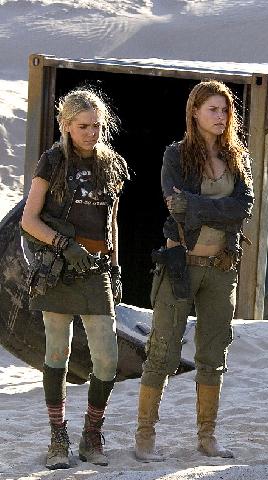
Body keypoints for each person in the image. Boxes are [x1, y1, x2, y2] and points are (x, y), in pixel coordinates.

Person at [133, 80, 253, 462]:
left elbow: (244, 207)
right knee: (162, 350)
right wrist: (219, 209)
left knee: (213, 353)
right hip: (181, 264)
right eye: (212, 109)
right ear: (195, 113)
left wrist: (201, 205)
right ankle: (145, 436)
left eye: (225, 110)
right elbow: (177, 207)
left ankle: (207, 436)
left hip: (222, 266)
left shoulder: (237, 156)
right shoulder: (177, 155)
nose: (221, 116)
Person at [21, 88, 128, 469]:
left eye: (97, 126)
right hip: (59, 270)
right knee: (56, 353)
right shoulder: (52, 162)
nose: (91, 133)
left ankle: (91, 434)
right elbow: (29, 219)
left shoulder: (112, 164)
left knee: (107, 359)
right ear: (65, 125)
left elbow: (111, 221)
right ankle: (58, 437)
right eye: (83, 126)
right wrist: (64, 245)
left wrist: (115, 265)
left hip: (95, 269)